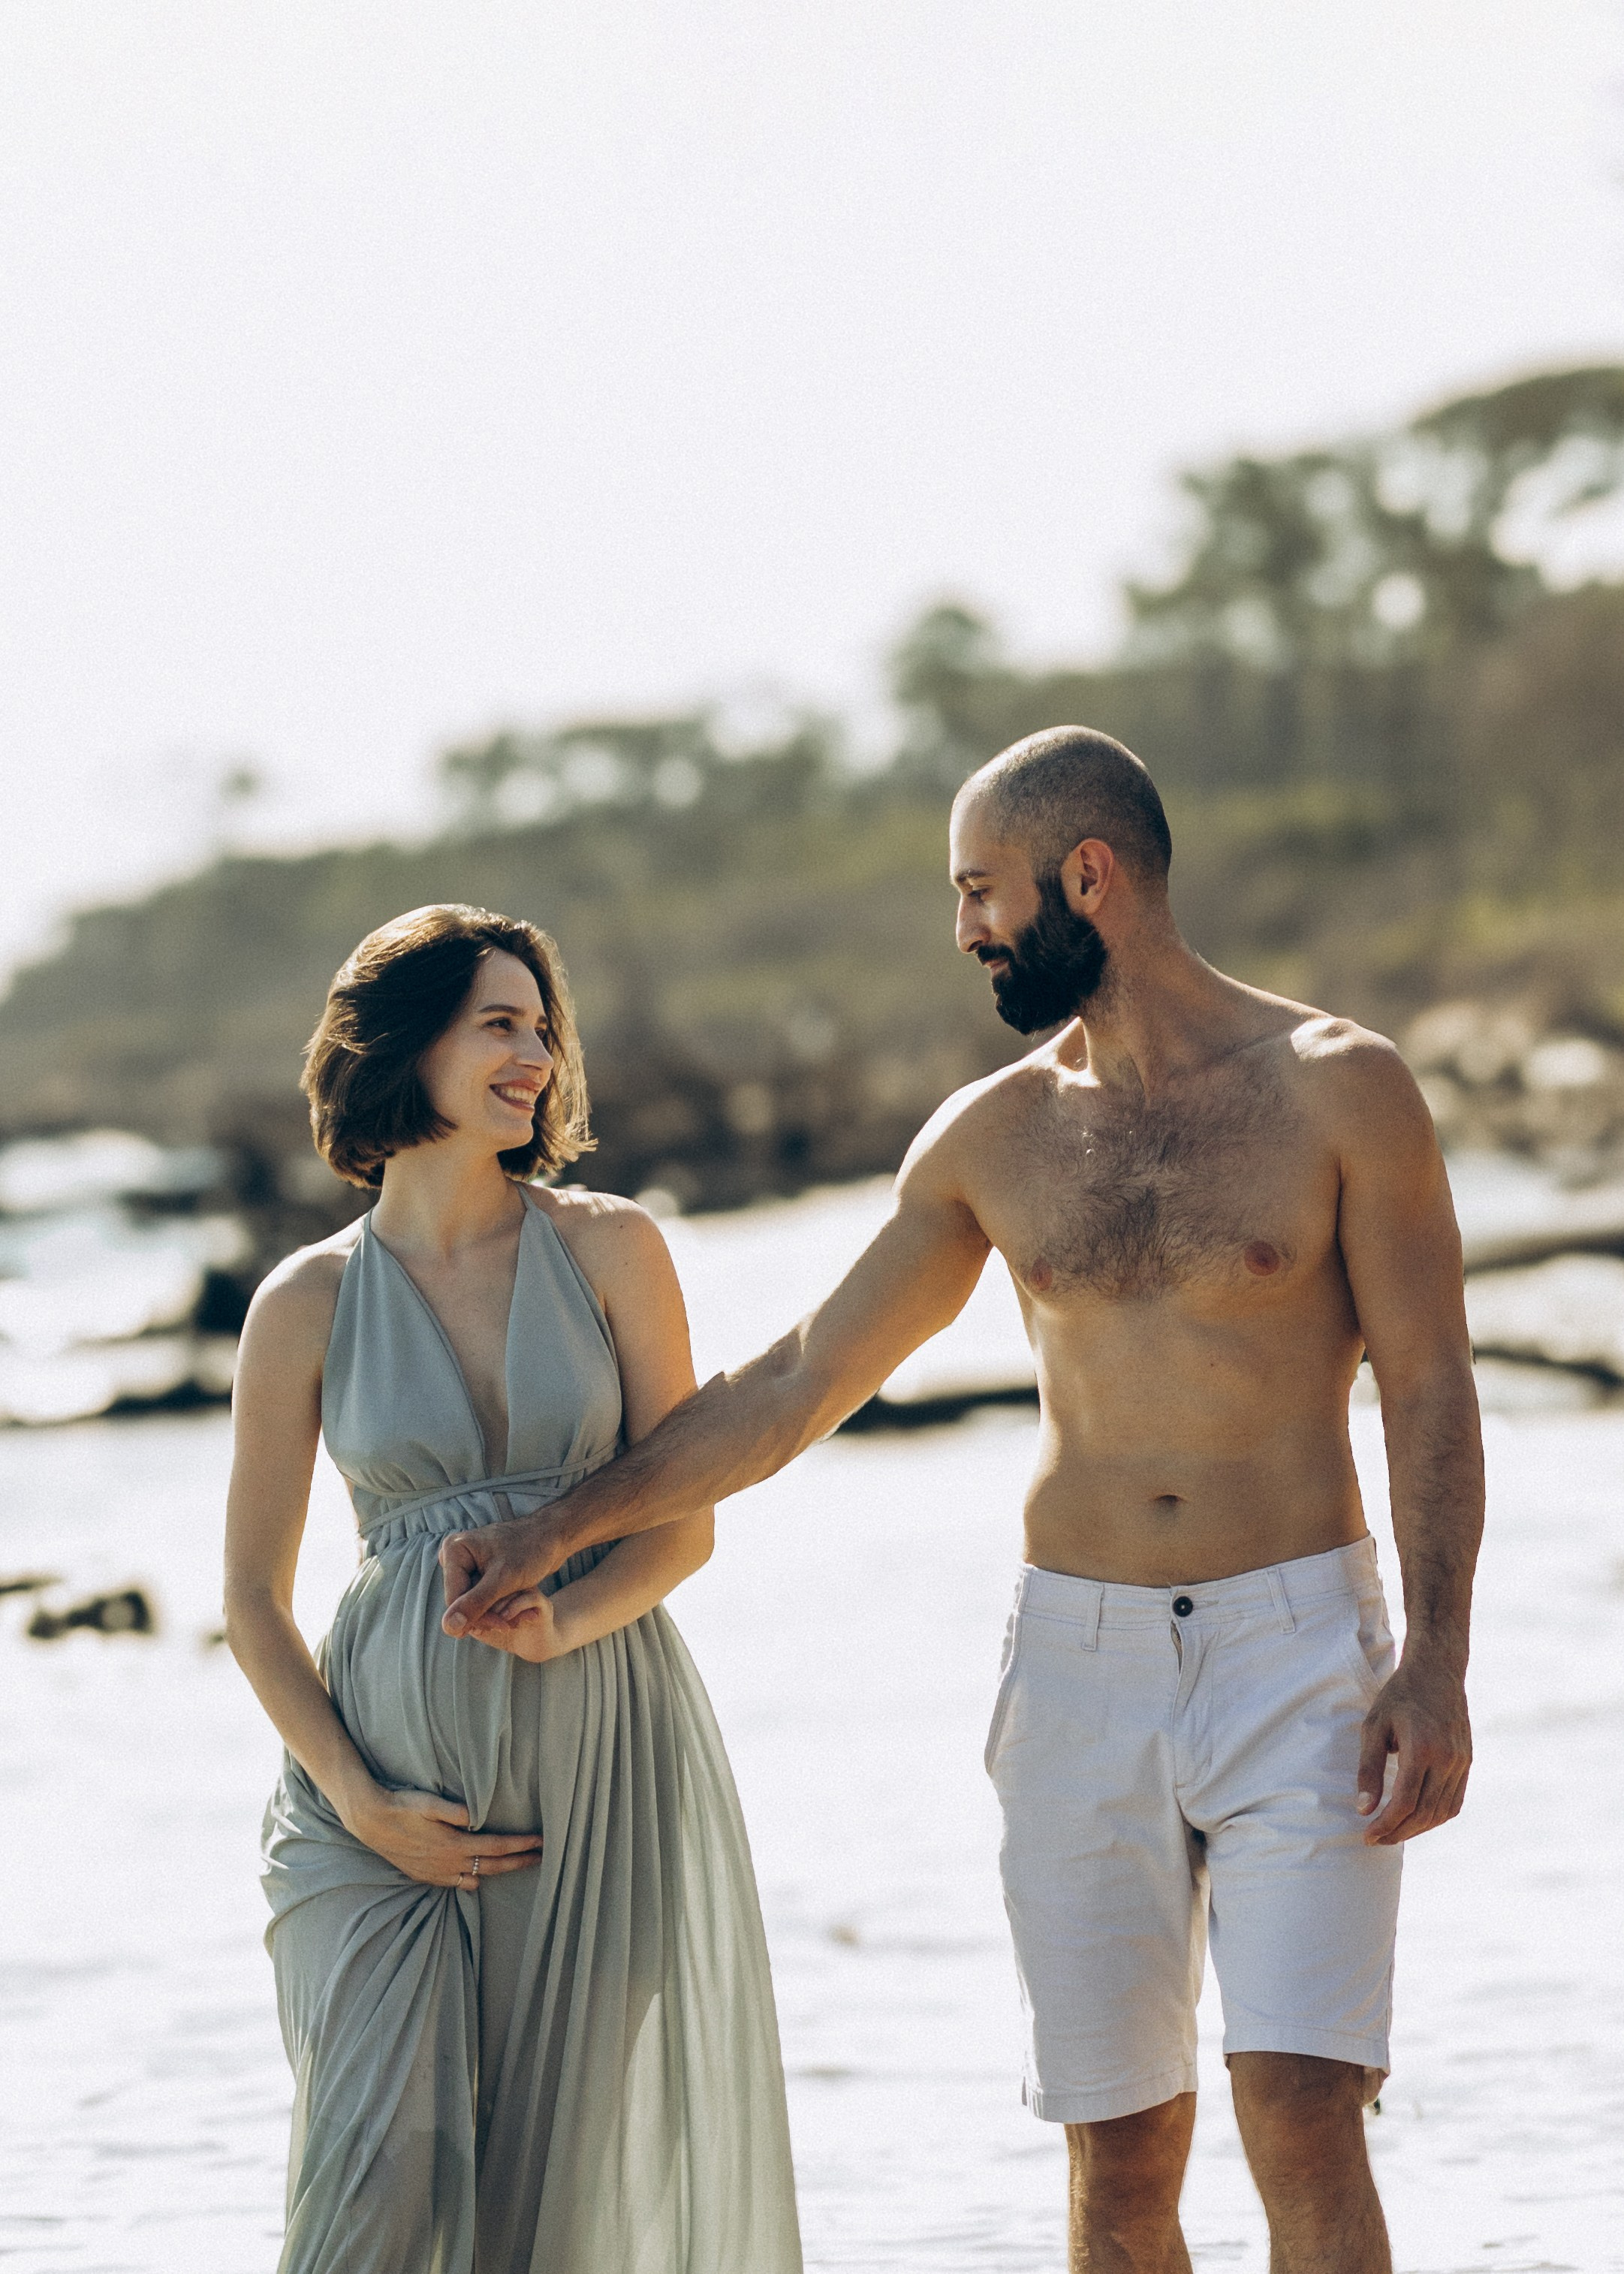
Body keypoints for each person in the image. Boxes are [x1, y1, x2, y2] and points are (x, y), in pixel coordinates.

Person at [441, 730, 1483, 2274]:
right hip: (1077, 1667)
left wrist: (1433, 1660)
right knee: (1116, 2152)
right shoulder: (992, 1136)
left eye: (980, 889)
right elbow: (794, 1381)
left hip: (1298, 1652)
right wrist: (560, 1525)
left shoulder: (1340, 1089)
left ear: (1088, 876)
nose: (964, 930)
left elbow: (1428, 1386)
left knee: (1301, 2110)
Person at [223, 904, 802, 2274]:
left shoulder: (610, 1248)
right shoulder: (304, 1303)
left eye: (543, 1028)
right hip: (379, 1807)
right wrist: (362, 1803)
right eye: (499, 1023)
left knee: (550, 2203)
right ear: (404, 1043)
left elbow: (682, 1522)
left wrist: (574, 1617)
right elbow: (251, 1599)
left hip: (598, 1776)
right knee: (373, 2196)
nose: (536, 1054)